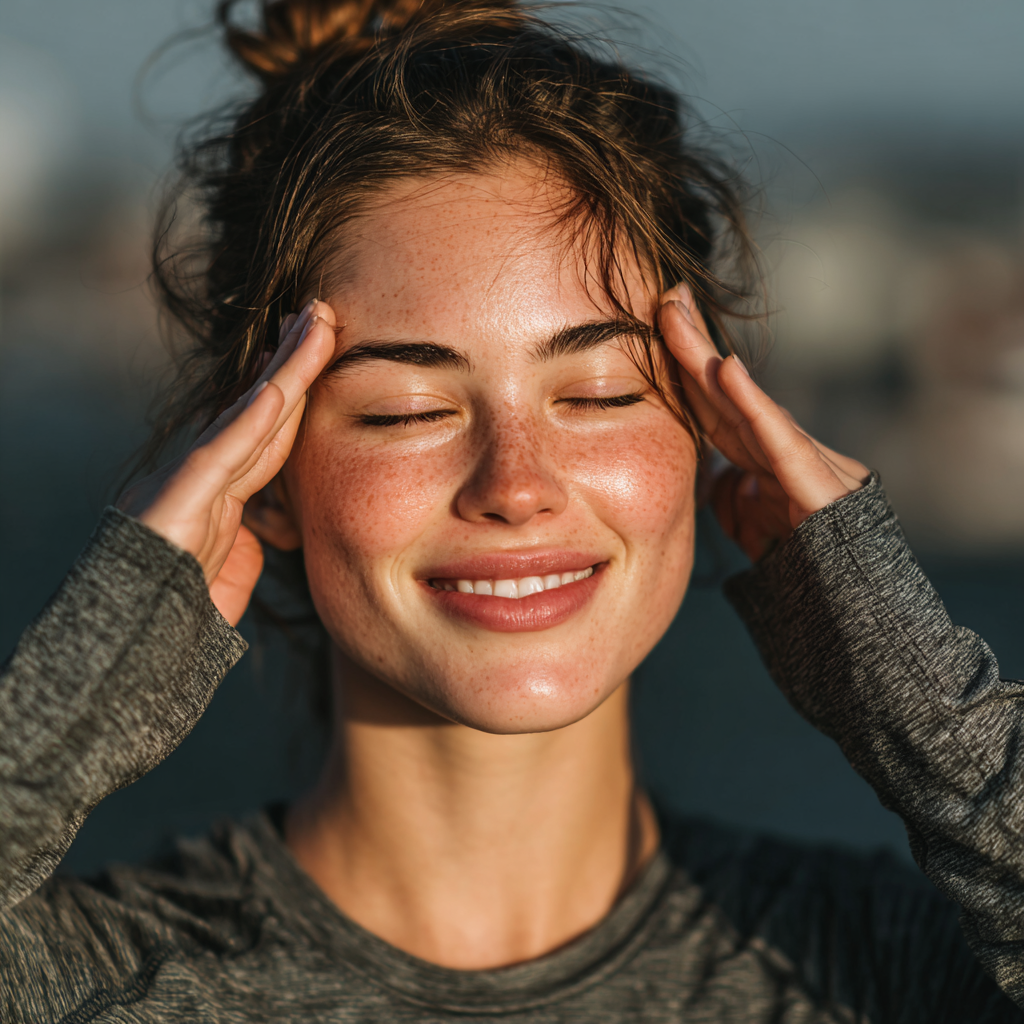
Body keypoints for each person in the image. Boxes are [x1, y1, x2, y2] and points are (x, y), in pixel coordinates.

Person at [1, 0, 1021, 1020]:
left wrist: (906, 678)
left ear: (716, 424)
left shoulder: (893, 976)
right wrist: (109, 650)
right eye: (410, 409)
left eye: (600, 394)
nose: (516, 482)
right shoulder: (99, 990)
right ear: (259, 473)